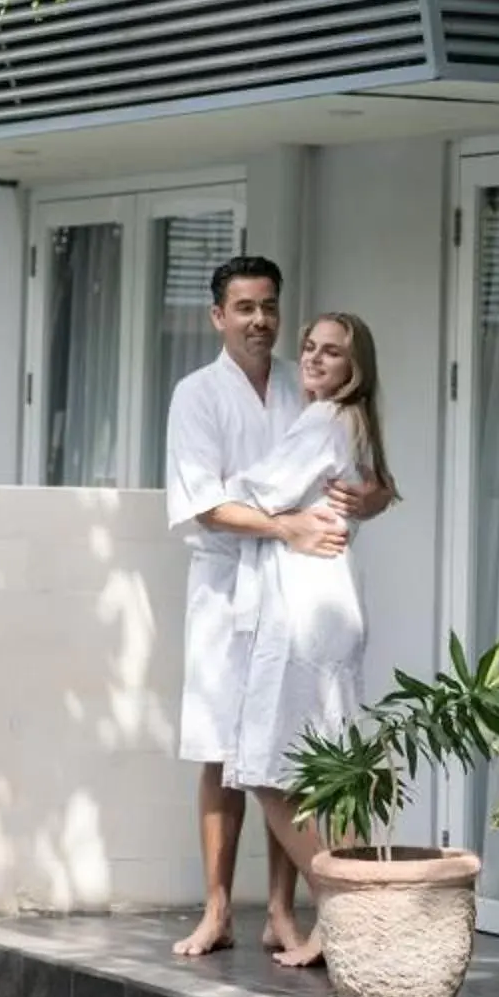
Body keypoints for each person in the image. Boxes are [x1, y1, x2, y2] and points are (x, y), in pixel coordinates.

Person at [164, 256, 384, 959]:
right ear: (218, 316)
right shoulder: (196, 395)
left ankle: (285, 914)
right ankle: (218, 909)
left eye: (268, 306)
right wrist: (283, 524)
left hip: (294, 592)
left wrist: (367, 498)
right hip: (227, 583)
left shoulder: (309, 388)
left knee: (284, 745)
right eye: (244, 307)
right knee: (221, 746)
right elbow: (206, 503)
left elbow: (367, 479)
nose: (260, 320)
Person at [222, 312, 389, 968]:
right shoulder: (353, 423)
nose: (316, 360)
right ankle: (351, 913)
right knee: (333, 772)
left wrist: (268, 510)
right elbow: (374, 488)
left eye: (333, 352)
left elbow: (248, 496)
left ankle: (342, 907)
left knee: (266, 769)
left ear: (356, 366)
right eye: (310, 349)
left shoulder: (324, 421)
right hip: (331, 605)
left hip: (303, 611)